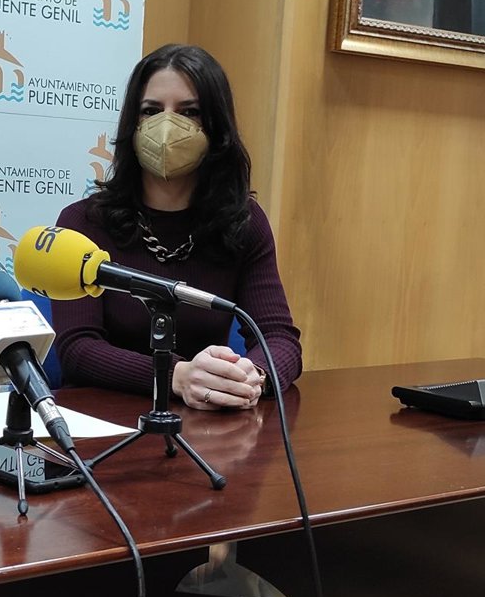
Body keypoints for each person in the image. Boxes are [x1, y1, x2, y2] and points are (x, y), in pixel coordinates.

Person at [50, 43, 301, 410]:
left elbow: (279, 337)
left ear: (216, 128)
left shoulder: (242, 222)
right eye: (151, 111)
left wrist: (254, 376)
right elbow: (77, 350)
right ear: (133, 124)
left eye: (189, 112)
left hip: (209, 421)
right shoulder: (83, 223)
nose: (166, 127)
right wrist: (175, 376)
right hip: (104, 420)